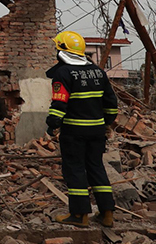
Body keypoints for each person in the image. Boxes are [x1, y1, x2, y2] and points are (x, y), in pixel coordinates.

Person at [46, 31, 119, 228]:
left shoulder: (63, 73)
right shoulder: (98, 72)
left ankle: (79, 215)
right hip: (97, 132)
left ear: (62, 51)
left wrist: (52, 124)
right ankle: (107, 213)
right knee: (96, 167)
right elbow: (111, 104)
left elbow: (59, 104)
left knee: (75, 169)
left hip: (74, 132)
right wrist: (105, 123)